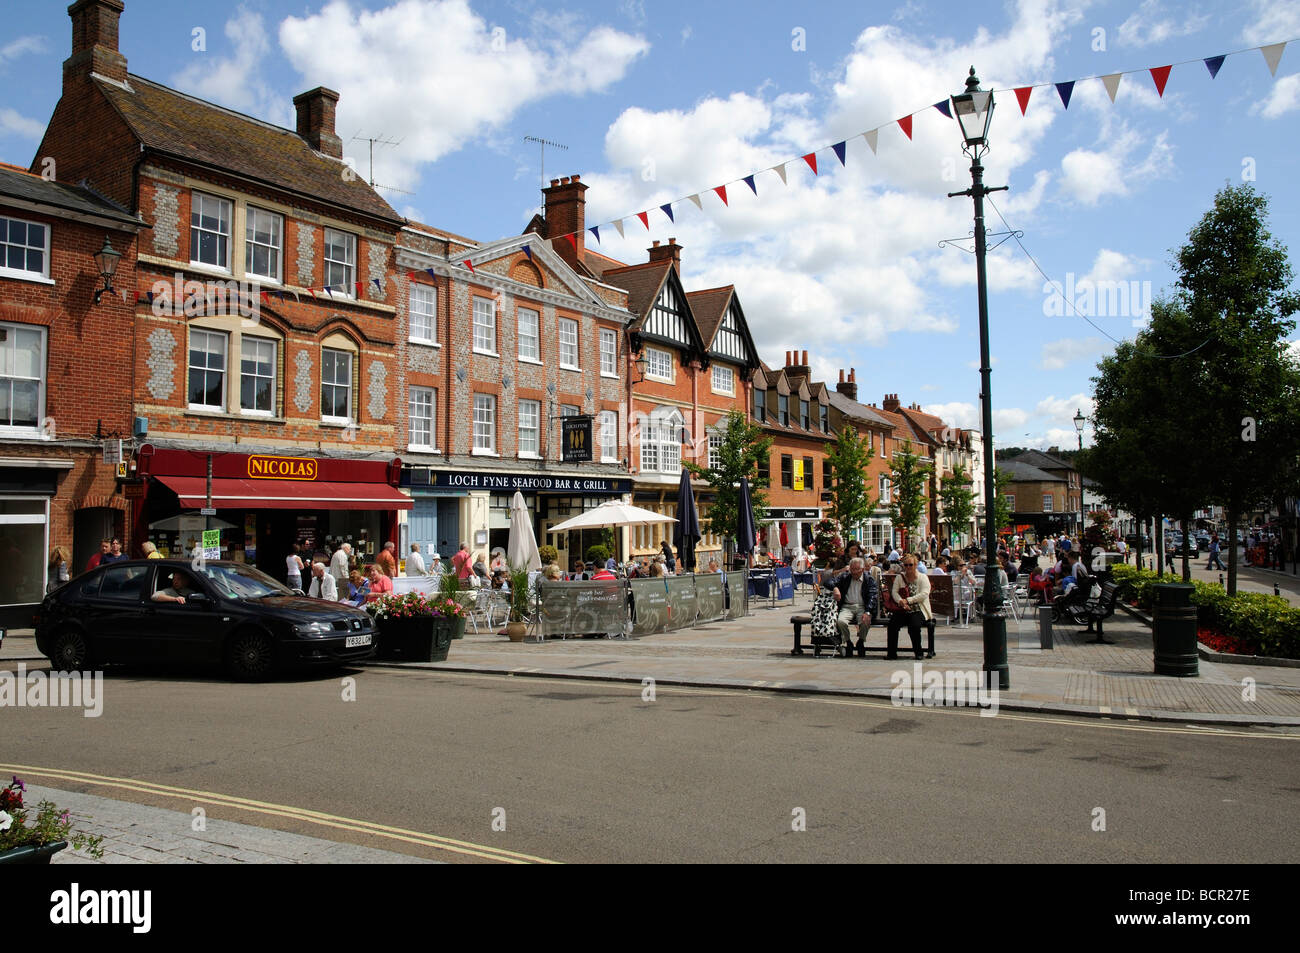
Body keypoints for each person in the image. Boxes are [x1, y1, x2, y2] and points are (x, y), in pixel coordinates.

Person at [825, 557, 878, 658]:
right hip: (847, 606)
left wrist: (868, 612)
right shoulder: (845, 576)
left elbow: (873, 596)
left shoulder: (868, 579)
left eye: (856, 569)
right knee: (840, 621)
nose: (854, 572)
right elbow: (828, 582)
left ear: (862, 569)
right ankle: (848, 642)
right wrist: (835, 588)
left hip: (862, 606)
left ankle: (861, 641)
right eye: (852, 569)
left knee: (865, 621)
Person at [888, 556, 931, 660]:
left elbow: (924, 594)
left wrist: (908, 600)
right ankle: (892, 653)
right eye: (906, 565)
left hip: (918, 608)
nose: (908, 567)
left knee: (914, 626)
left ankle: (918, 652)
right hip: (902, 608)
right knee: (892, 625)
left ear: (916, 565)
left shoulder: (922, 577)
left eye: (910, 565)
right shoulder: (900, 577)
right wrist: (900, 601)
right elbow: (894, 591)